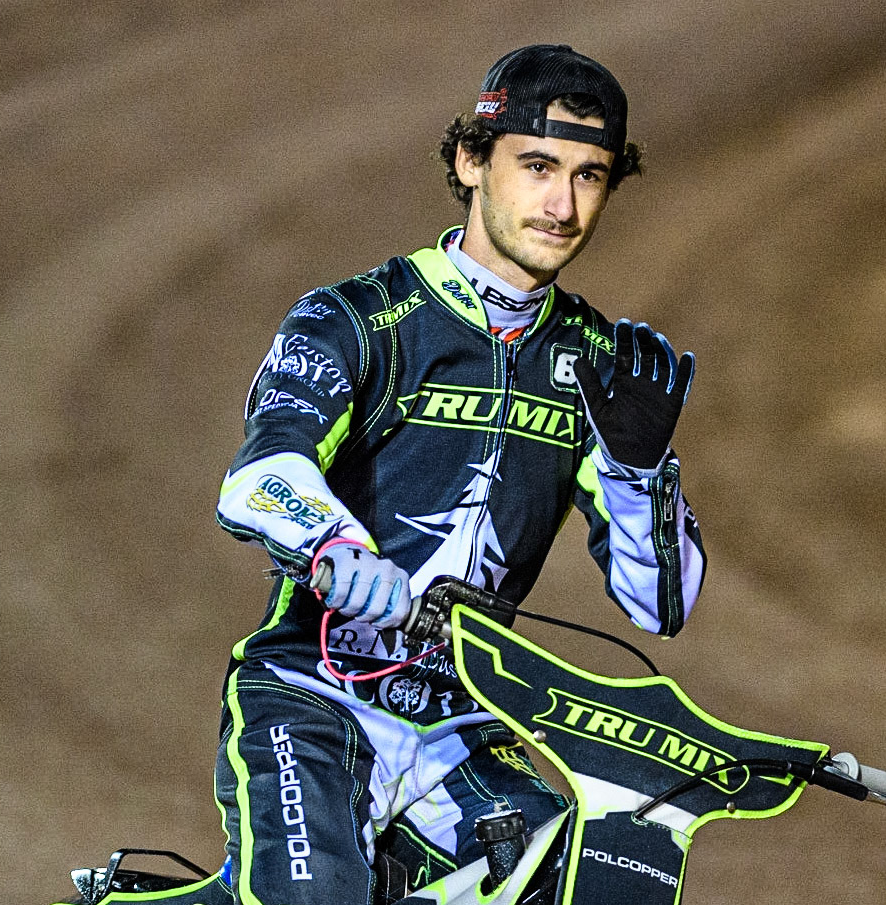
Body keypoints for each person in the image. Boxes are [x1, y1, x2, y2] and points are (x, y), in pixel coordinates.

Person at [212, 44, 706, 905]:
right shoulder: (359, 315)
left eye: (590, 176)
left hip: (470, 728)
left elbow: (658, 606)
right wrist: (335, 546)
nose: (563, 204)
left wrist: (641, 471)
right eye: (539, 166)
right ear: (471, 161)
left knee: (591, 882)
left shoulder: (598, 362)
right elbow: (258, 476)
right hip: (311, 700)